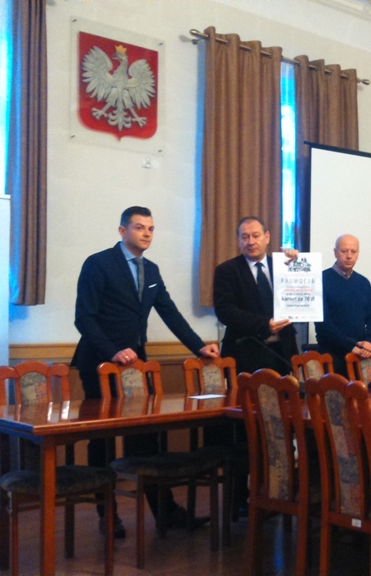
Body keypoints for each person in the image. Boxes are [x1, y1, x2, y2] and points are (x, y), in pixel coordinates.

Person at [73, 206, 219, 538]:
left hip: (136, 366)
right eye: (139, 227)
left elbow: (169, 311)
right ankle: (107, 513)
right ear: (122, 231)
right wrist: (112, 350)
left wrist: (199, 347)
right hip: (99, 362)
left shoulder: (150, 269)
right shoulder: (98, 263)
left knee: (146, 438)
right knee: (103, 439)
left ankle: (166, 512)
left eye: (151, 228)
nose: (147, 234)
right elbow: (84, 318)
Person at [212, 216, 299, 374]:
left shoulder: (284, 266)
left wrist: (298, 263)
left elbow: (302, 295)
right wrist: (265, 324)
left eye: (256, 236)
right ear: (238, 240)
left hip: (283, 353)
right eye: (245, 237)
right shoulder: (226, 270)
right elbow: (225, 311)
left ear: (267, 237)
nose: (250, 242)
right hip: (244, 354)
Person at [315, 234, 371, 377]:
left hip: (360, 357)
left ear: (358, 253)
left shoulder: (363, 282)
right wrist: (351, 346)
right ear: (335, 252)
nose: (349, 256)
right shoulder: (320, 280)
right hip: (332, 358)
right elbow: (323, 323)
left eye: (353, 251)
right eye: (344, 251)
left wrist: (370, 341)